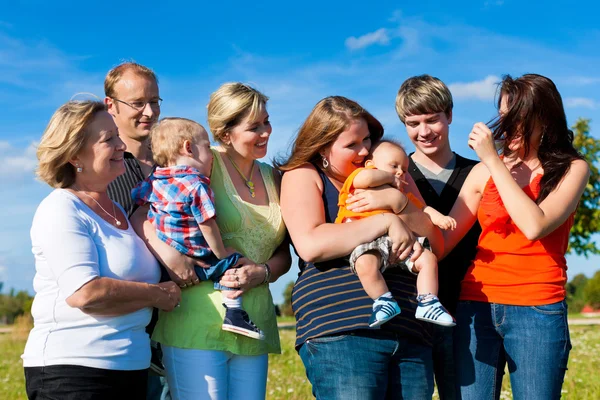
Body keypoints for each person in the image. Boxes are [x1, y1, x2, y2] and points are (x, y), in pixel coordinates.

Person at [278, 96, 444, 399]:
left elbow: (435, 242)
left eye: (367, 139)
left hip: (410, 328)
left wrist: (398, 202)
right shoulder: (305, 174)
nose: (365, 150)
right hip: (343, 328)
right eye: (352, 144)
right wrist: (384, 221)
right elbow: (311, 244)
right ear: (323, 148)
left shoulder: (395, 175)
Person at [134, 82, 291, 400]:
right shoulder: (198, 164)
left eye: (267, 122)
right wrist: (169, 255)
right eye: (254, 127)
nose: (266, 132)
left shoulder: (273, 176)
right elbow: (141, 214)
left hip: (254, 321)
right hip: (197, 317)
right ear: (226, 131)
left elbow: (284, 254)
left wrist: (261, 272)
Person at [22, 100, 181, 400]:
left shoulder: (119, 211)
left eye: (117, 136)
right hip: (74, 374)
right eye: (109, 139)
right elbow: (85, 293)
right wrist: (157, 294)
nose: (122, 145)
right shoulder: (61, 208)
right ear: (73, 155)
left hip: (130, 369)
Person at [443, 74, 589, 399]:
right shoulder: (484, 172)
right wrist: (404, 201)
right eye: (504, 115)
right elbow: (443, 238)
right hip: (476, 305)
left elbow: (535, 225)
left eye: (516, 117)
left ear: (544, 118)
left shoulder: (572, 168)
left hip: (538, 307)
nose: (507, 126)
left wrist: (493, 160)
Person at [132, 117, 264, 339]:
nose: (212, 154)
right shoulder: (196, 184)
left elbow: (137, 199)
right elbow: (207, 223)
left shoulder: (154, 180)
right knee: (234, 263)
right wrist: (222, 254)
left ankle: (151, 340)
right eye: (207, 146)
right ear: (188, 148)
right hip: (197, 257)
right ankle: (234, 312)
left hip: (163, 259)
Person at [396, 74, 482, 400]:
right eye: (413, 122)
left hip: (467, 315)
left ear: (449, 115)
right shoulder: (396, 176)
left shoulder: (477, 173)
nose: (424, 131)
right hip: (409, 313)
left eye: (432, 120)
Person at [103, 61, 172, 399]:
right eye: (138, 103)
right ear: (110, 105)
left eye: (156, 101)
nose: (149, 111)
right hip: (127, 330)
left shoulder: (170, 164)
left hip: (176, 323)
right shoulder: (102, 168)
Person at [335, 139, 456, 328]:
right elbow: (364, 178)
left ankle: (428, 301)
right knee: (365, 264)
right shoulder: (360, 180)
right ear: (370, 165)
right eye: (394, 166)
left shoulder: (402, 194)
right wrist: (390, 178)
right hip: (369, 239)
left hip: (402, 242)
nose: (400, 172)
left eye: (404, 169)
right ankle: (383, 300)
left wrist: (439, 218)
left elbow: (423, 209)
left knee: (428, 260)